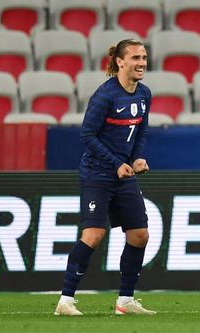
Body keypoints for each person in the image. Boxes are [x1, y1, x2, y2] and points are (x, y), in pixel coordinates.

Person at [54, 39, 155, 316]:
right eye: (135, 57)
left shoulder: (144, 94)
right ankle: (65, 300)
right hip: (97, 173)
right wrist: (115, 163)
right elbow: (86, 135)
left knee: (139, 235)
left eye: (144, 57)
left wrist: (135, 158)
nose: (142, 63)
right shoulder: (106, 95)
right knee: (94, 235)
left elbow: (141, 131)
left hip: (124, 173)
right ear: (120, 62)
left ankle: (125, 301)